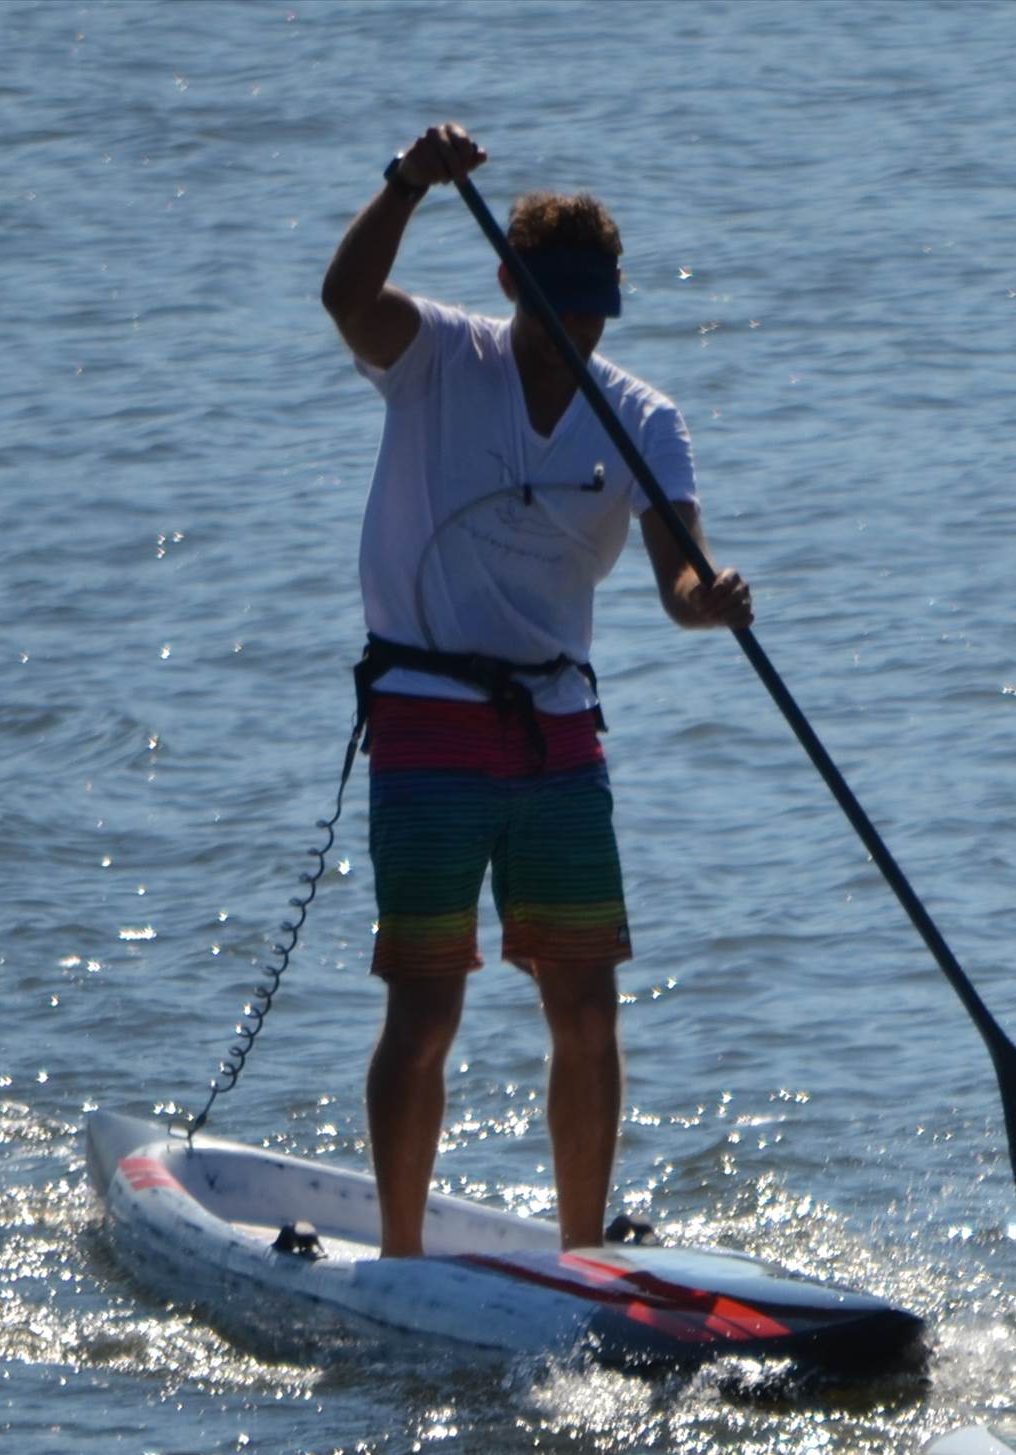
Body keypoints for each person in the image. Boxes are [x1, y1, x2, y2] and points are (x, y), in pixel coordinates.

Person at [320, 122, 751, 1257]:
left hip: (558, 730)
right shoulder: (436, 357)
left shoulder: (642, 418)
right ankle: (405, 1261)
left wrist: (711, 598)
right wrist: (408, 183)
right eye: (556, 301)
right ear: (510, 284)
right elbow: (344, 296)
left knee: (588, 1006)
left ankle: (582, 1258)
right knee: (426, 1007)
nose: (577, 327)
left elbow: (677, 579)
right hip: (425, 716)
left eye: (596, 305)